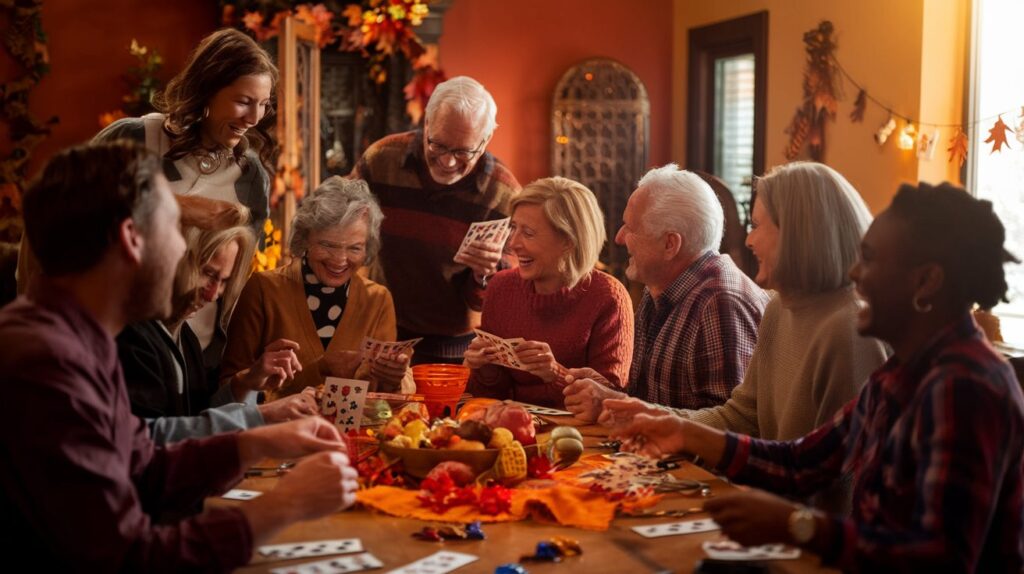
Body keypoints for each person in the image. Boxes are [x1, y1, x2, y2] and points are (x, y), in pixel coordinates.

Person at [611, 182, 1024, 572]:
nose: (857, 274)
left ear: (926, 282)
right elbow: (805, 461)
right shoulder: (905, 372)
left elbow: (938, 560)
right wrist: (686, 434)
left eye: (873, 259)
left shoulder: (963, 386)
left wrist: (798, 525)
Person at [0, 141, 358, 571]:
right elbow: (130, 558)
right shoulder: (44, 364)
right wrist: (284, 505)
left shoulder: (73, 338)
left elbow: (140, 465)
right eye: (175, 229)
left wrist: (252, 441)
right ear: (132, 240)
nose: (182, 252)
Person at [592, 163, 888, 443]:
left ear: (798, 234)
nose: (748, 240)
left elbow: (835, 476)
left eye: (757, 225)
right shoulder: (780, 311)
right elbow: (740, 417)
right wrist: (635, 413)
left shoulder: (849, 331)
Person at [561, 164, 769, 413]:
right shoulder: (661, 285)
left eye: (631, 228)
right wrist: (606, 391)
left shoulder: (720, 302)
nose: (618, 237)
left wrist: (613, 403)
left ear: (670, 244)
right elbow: (654, 402)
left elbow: (727, 430)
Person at [351, 76, 520, 364]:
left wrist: (485, 273)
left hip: (456, 347)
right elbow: (340, 220)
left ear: (486, 139)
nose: (448, 162)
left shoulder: (503, 193)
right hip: (382, 329)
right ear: (426, 122)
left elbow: (496, 303)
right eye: (438, 145)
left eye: (463, 151)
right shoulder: (382, 160)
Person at [117, 218, 318, 443]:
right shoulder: (131, 336)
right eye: (209, 274)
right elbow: (148, 439)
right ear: (174, 259)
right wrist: (262, 414)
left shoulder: (185, 337)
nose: (213, 295)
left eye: (223, 282)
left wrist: (247, 383)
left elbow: (199, 419)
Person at [221, 176, 414, 401]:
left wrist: (393, 380)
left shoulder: (378, 300)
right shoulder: (263, 290)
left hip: (354, 435)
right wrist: (322, 368)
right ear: (305, 239)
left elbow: (381, 403)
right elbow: (229, 390)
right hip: (276, 432)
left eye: (354, 248)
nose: (340, 260)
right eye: (327, 245)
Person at [463, 177, 633, 407]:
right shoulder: (500, 287)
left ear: (568, 241)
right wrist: (483, 368)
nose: (513, 244)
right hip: (511, 430)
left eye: (528, 233)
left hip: (579, 436)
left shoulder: (608, 296)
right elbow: (490, 396)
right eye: (513, 228)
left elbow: (611, 401)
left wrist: (555, 374)